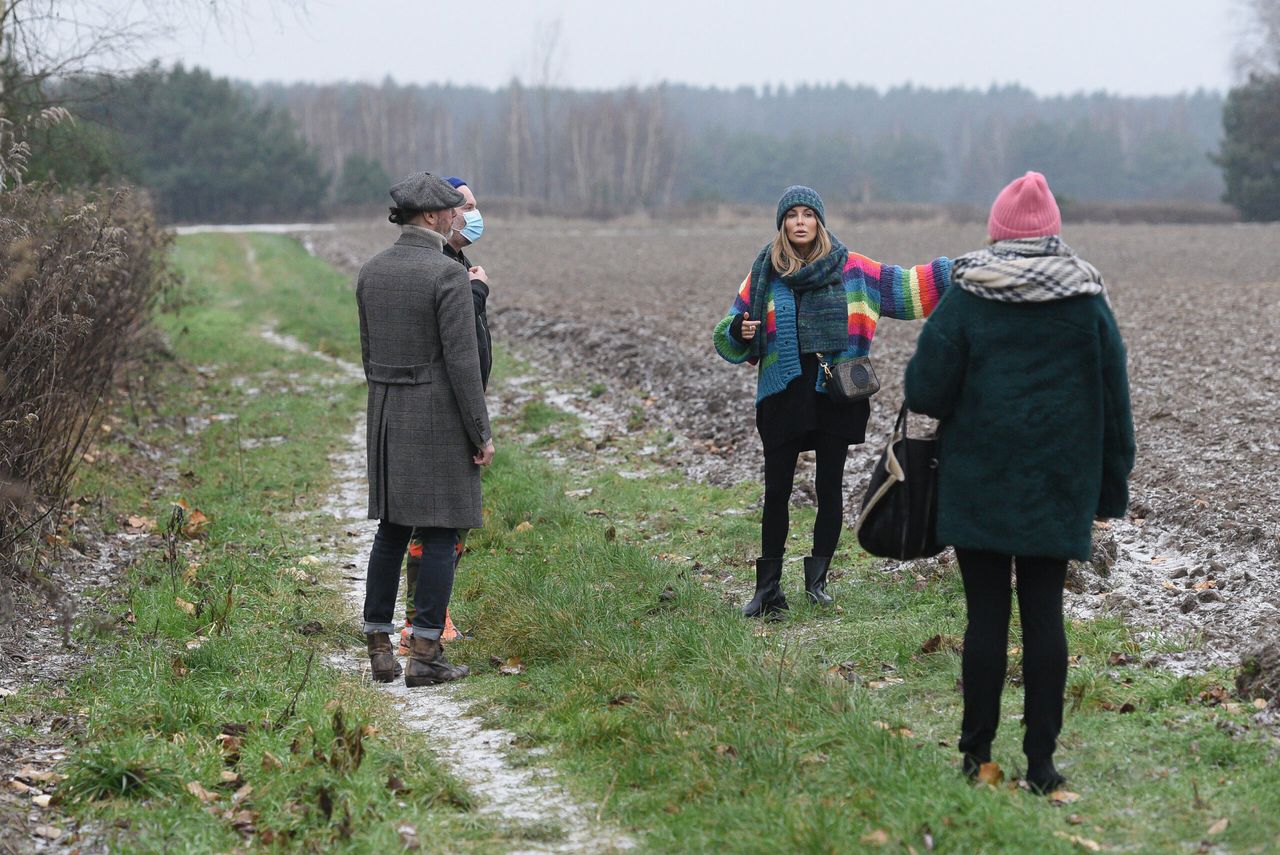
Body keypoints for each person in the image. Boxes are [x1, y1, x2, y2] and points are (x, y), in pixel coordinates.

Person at [903, 171, 1135, 793]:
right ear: (1053, 230)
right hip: (1057, 486)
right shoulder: (1087, 301)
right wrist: (1110, 493)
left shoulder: (969, 295)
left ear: (996, 230)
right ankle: (1042, 766)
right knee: (1044, 618)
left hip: (978, 480)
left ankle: (976, 758)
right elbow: (1117, 407)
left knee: (985, 619)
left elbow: (924, 389)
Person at [713, 185, 953, 616]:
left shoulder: (855, 270)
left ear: (819, 222)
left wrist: (962, 270)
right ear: (782, 223)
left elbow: (911, 287)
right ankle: (767, 591)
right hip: (783, 394)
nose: (800, 221)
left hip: (835, 392)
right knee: (776, 490)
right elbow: (729, 331)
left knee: (829, 486)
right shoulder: (764, 273)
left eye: (808, 214)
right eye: (792, 215)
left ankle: (817, 583)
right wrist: (740, 332)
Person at [357, 171, 495, 687]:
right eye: (453, 213)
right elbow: (463, 364)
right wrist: (480, 433)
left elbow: (369, 356)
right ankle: (425, 654)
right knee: (440, 532)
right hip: (438, 419)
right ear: (434, 216)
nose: (459, 219)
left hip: (387, 416)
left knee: (390, 531)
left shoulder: (370, 273)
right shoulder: (447, 276)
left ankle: (378, 649)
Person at [398, 176, 491, 654]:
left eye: (473, 205)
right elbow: (448, 342)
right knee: (431, 521)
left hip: (457, 403)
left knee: (446, 523)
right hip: (440, 408)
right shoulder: (437, 266)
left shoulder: (457, 261)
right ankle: (422, 624)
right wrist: (476, 295)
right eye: (465, 205)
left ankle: (433, 615)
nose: (471, 214)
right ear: (439, 212)